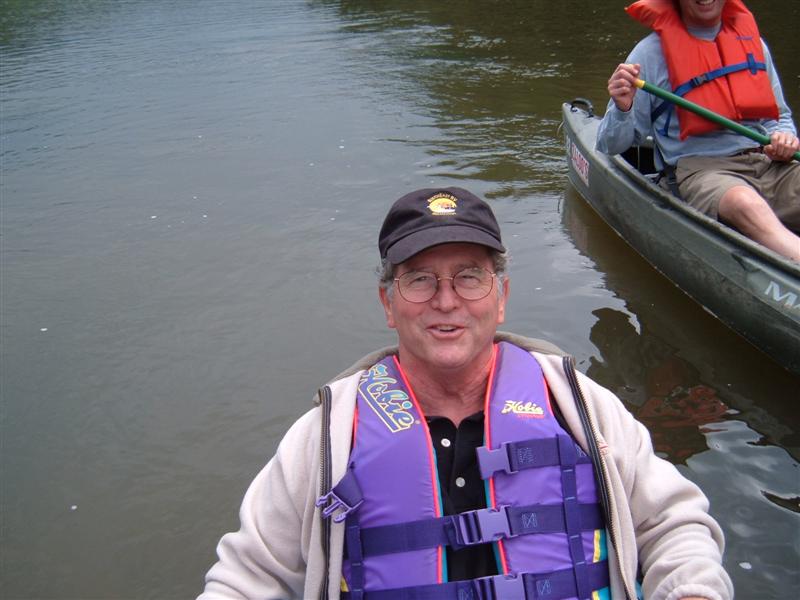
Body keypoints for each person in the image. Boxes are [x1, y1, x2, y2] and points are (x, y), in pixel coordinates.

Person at [199, 187, 733, 600]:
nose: (446, 301)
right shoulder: (327, 437)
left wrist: (691, 590)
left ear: (501, 297)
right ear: (388, 304)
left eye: (469, 277)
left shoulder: (579, 408)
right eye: (420, 280)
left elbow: (673, 524)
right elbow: (247, 579)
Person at [597, 0, 800, 261]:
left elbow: (780, 118)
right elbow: (609, 145)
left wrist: (785, 138)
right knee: (745, 202)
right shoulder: (648, 54)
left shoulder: (754, 44)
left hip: (766, 163)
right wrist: (622, 108)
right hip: (700, 171)